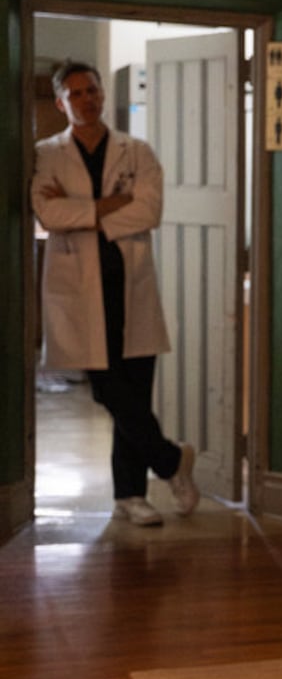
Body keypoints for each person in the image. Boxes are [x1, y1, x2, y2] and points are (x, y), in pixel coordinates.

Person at [32, 60, 198, 526]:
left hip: (130, 281)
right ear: (62, 102)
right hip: (79, 287)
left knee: (136, 387)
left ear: (103, 94)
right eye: (75, 93)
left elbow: (148, 211)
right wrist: (107, 207)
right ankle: (170, 461)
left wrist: (81, 211)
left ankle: (130, 496)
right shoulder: (46, 153)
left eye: (92, 91)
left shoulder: (136, 151)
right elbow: (47, 213)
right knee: (107, 387)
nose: (86, 100)